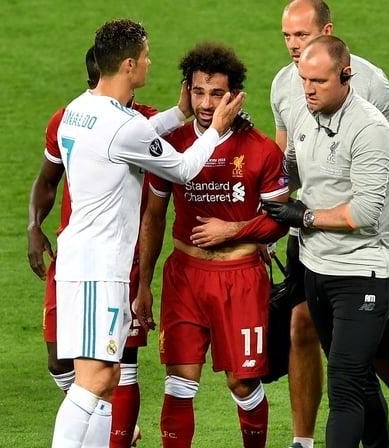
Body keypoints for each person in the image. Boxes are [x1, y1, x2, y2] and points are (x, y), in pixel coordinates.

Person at [50, 19, 245, 448]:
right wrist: (215, 130)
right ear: (128, 65)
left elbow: (125, 141)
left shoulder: (77, 111)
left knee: (108, 378)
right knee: (95, 379)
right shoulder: (123, 126)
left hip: (87, 263)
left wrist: (177, 116)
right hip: (97, 271)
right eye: (145, 56)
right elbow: (183, 168)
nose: (150, 62)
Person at [269, 1, 389, 447]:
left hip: (361, 267)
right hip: (316, 261)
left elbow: (368, 205)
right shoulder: (298, 99)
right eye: (287, 37)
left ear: (343, 75)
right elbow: (287, 168)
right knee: (357, 377)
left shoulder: (370, 121)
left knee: (345, 383)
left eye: (301, 36)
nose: (305, 86)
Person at [133, 41, 289, 448]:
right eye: (199, 91)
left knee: (241, 383)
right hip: (185, 277)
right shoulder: (171, 145)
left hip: (240, 279)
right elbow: (153, 216)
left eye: (216, 93)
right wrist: (143, 284)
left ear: (235, 96)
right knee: (178, 384)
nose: (206, 102)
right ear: (187, 89)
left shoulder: (261, 150)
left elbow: (279, 223)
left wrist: (230, 231)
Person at [28, 46, 168, 447]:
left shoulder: (143, 122)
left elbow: (158, 208)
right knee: (65, 365)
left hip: (120, 261)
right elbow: (47, 178)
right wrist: (33, 226)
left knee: (115, 371)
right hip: (79, 256)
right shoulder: (71, 117)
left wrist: (145, 279)